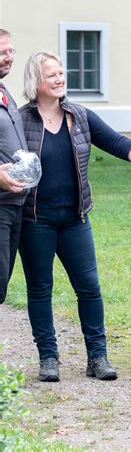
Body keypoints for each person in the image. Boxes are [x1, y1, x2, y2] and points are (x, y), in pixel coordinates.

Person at [19, 50, 131, 382]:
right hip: (35, 220)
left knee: (89, 287)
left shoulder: (79, 116)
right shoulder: (20, 121)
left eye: (62, 73)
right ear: (36, 81)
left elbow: (119, 143)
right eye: (52, 75)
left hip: (75, 218)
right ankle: (48, 358)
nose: (60, 79)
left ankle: (98, 357)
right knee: (40, 288)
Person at [0, 29, 28, 305]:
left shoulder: (4, 91)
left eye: (11, 51)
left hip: (13, 203)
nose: (9, 58)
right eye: (2, 53)